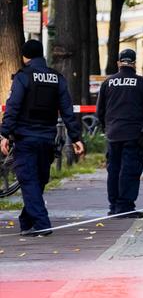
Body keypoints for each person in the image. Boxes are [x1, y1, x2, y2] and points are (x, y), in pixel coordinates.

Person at [0, 40, 83, 235]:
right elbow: (67, 111)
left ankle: (42, 224)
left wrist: (4, 133)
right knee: (38, 180)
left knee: (29, 181)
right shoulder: (57, 78)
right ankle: (26, 223)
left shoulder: (22, 77)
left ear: (25, 57)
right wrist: (76, 137)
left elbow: (13, 107)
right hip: (47, 138)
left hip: (25, 137)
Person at [96, 48, 143, 217]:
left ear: (118, 63)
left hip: (113, 133)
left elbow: (99, 111)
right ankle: (125, 207)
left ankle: (114, 206)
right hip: (133, 133)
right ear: (134, 63)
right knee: (130, 170)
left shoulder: (108, 83)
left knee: (114, 169)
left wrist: (106, 127)